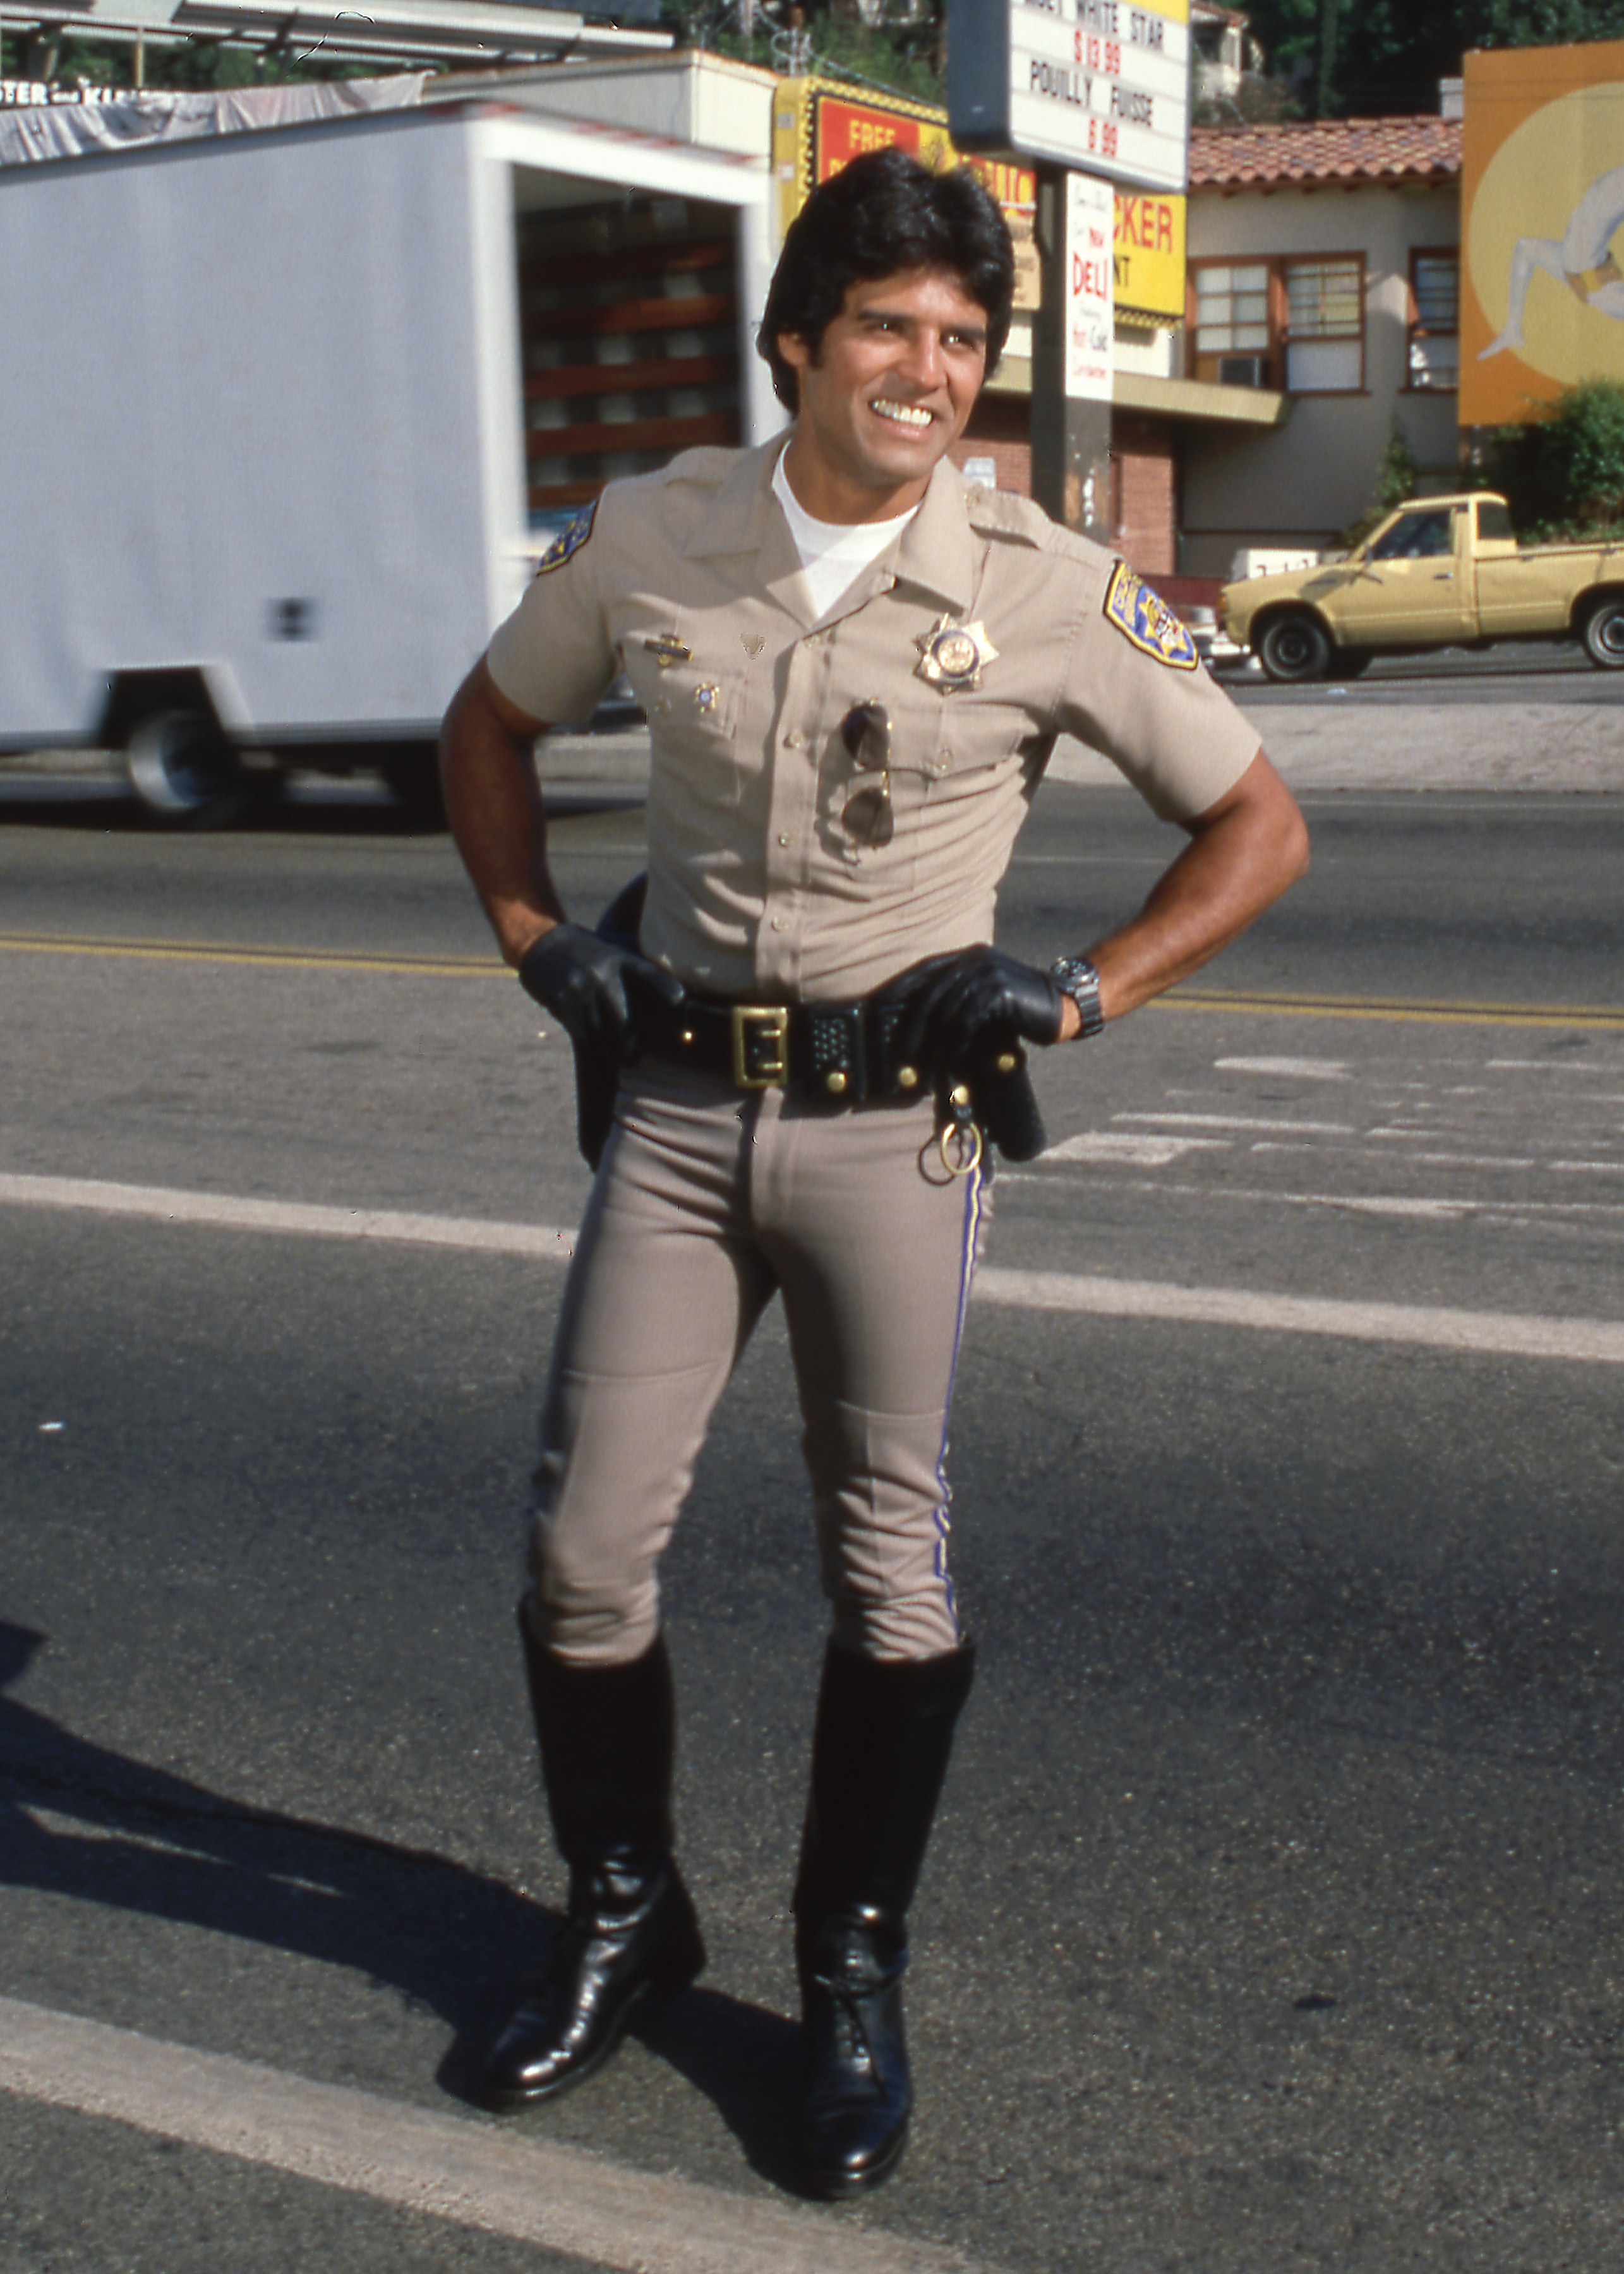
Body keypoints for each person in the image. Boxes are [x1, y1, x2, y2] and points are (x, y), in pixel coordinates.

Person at [438, 146, 1308, 2199]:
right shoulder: (657, 536)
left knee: (887, 1569)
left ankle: (848, 1974)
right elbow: (482, 727)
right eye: (890, 328)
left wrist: (1075, 994)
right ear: (799, 344)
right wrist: (529, 934)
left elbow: (1256, 827)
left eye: (960, 340)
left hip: (889, 1138)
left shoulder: (1037, 583)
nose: (927, 369)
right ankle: (627, 1915)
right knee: (581, 1555)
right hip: (667, 1112)